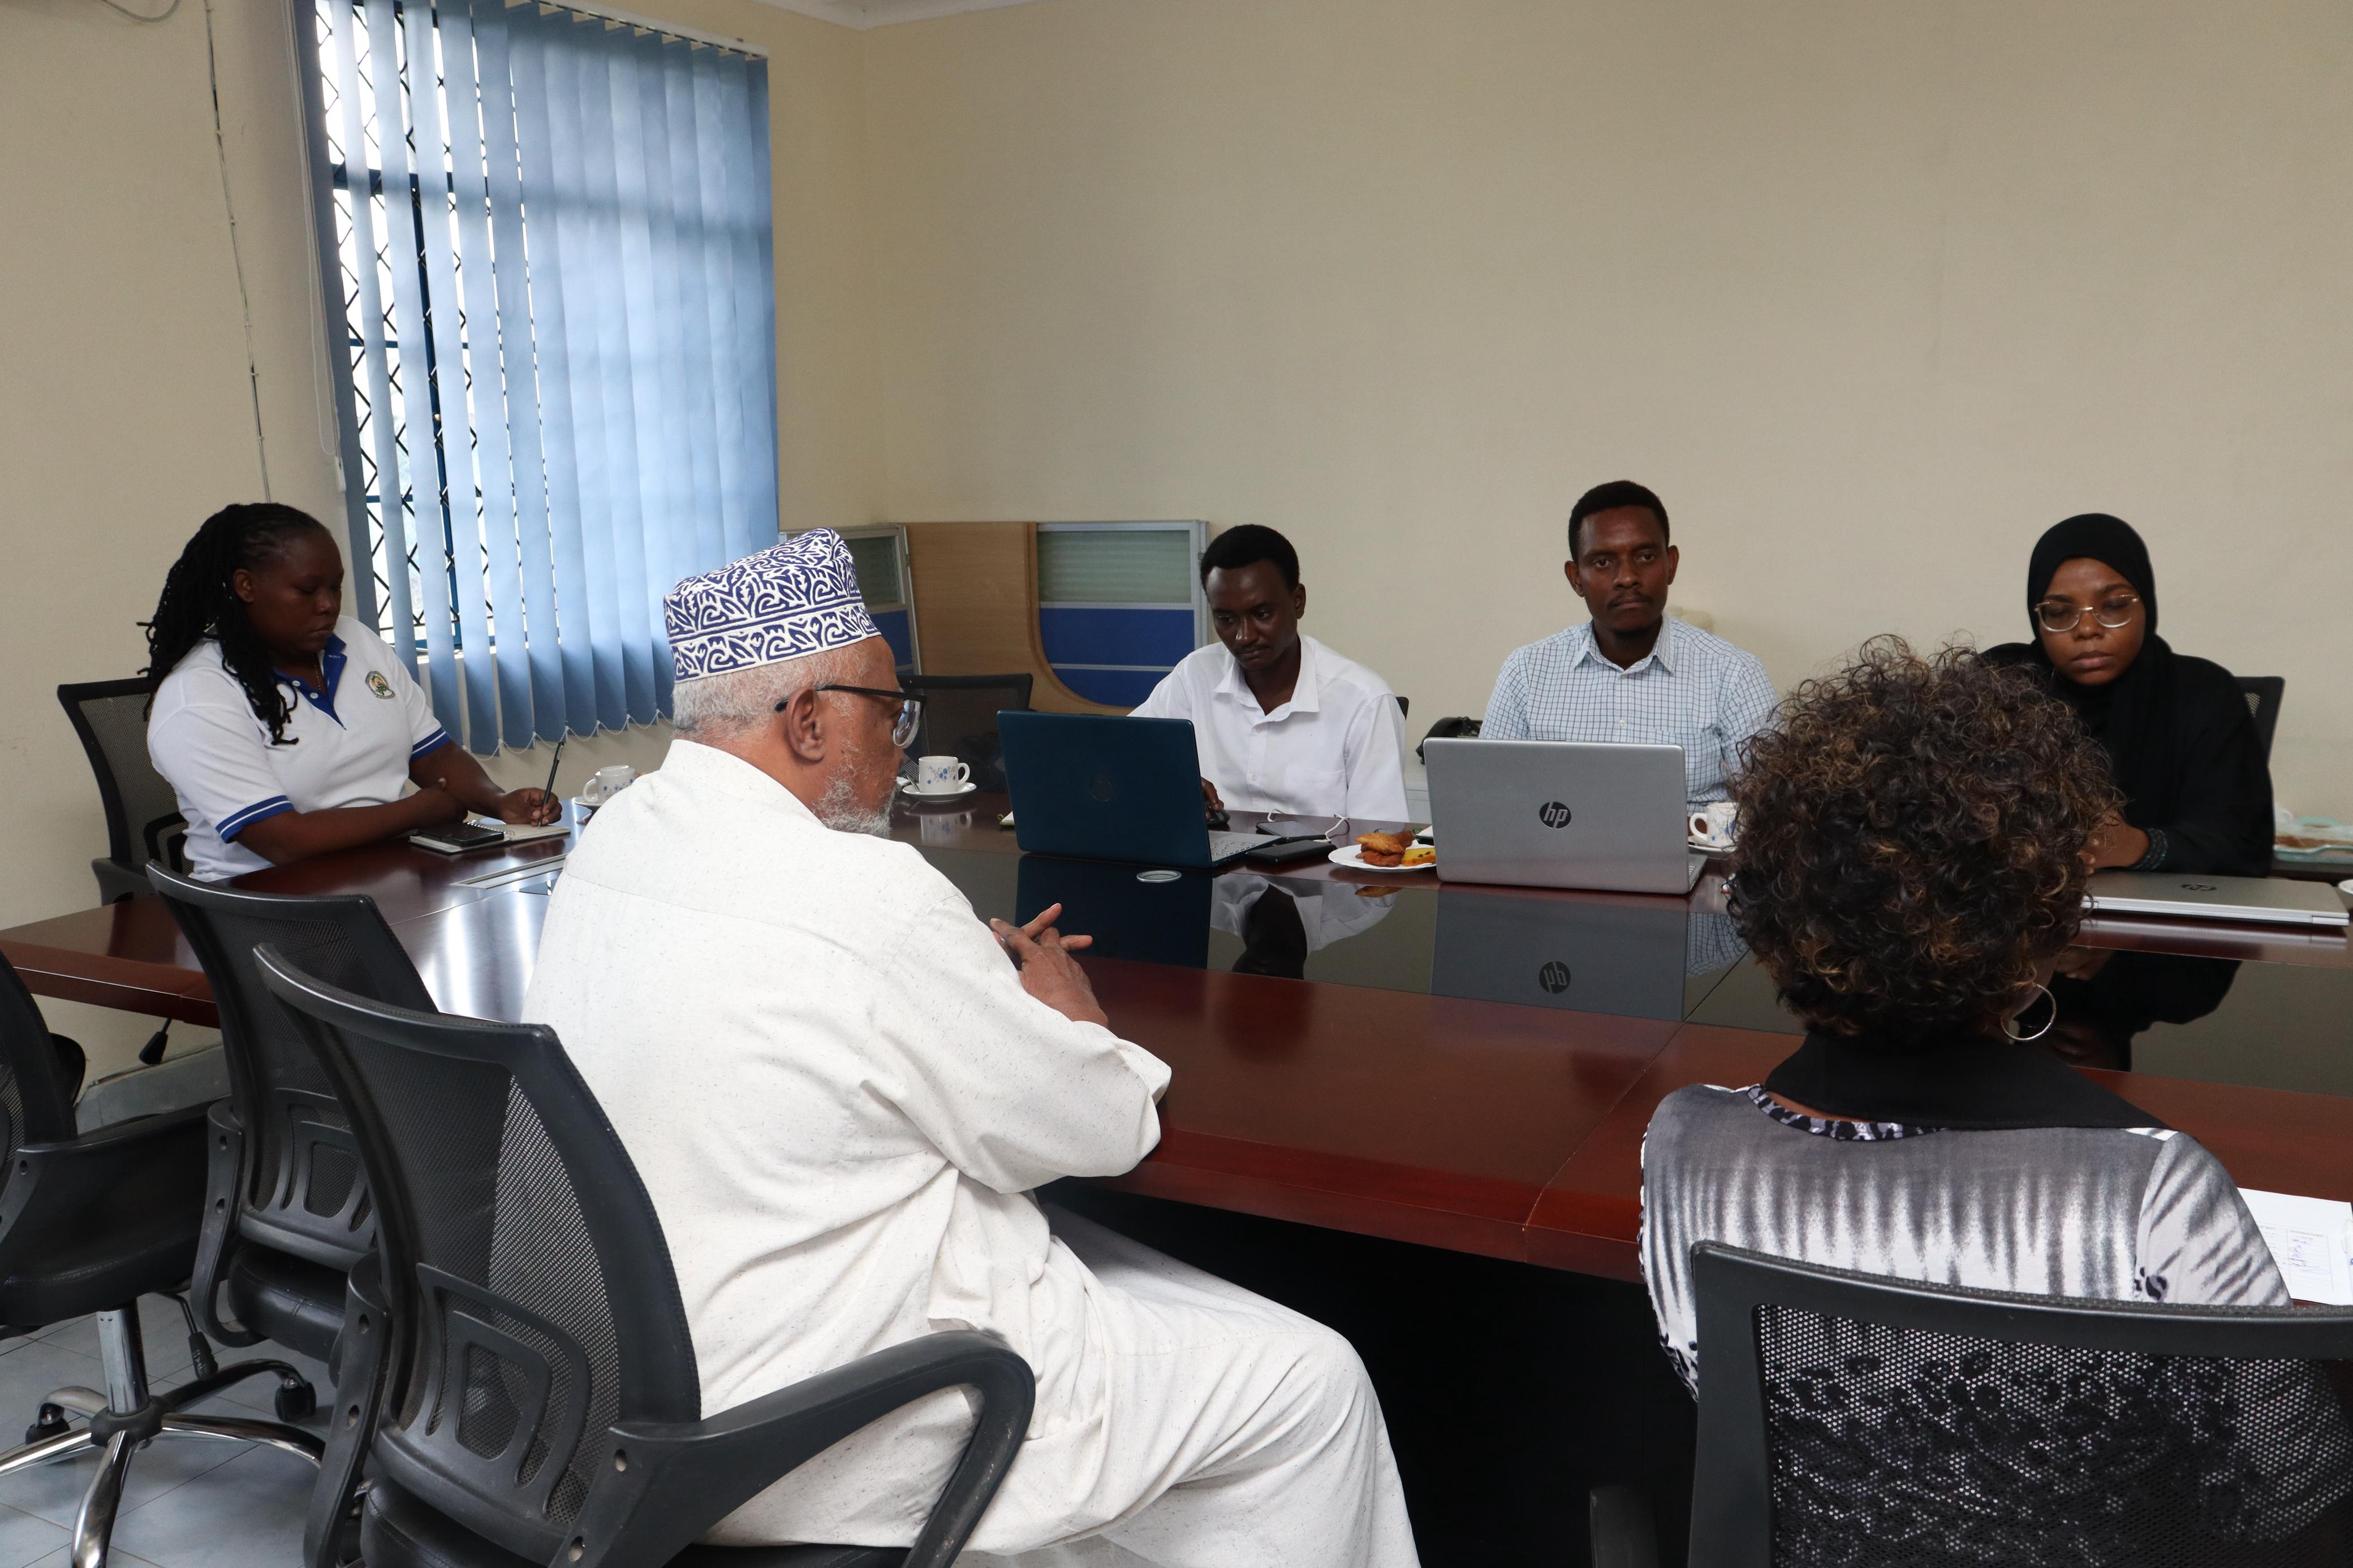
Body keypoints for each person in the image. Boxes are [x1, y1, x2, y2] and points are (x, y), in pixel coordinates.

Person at [523, 530, 1418, 1567]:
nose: (902, 745)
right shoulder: (867, 893)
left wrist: (949, 987)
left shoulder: (613, 839)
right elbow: (1098, 1126)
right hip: (815, 1419)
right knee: (1314, 1382)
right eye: (888, 711)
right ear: (807, 720)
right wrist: (1072, 1017)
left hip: (621, 1391)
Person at [1639, 641, 2347, 1552]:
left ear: (1779, 912)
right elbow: (2290, 1501)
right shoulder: (2154, 1191)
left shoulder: (1684, 1140)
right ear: (2045, 919)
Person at [143, 503, 556, 880]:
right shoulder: (198, 696)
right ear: (246, 586)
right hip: (264, 902)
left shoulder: (356, 641)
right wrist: (416, 811)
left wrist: (498, 802)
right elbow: (283, 841)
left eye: (335, 588)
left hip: (392, 874)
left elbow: (434, 755)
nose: (328, 605)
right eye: (307, 590)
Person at [1986, 512, 2273, 875]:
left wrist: (2139, 847)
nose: (2087, 629)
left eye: (2114, 606)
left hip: (2162, 906)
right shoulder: (2000, 687)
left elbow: (2242, 843)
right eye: (2059, 612)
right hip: (2016, 900)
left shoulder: (2203, 693)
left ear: (2146, 604)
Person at [1484, 481, 1775, 804]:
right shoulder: (1527, 671)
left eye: (1646, 556)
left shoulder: (1735, 674)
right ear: (1576, 578)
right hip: (1563, 839)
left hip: (1689, 838)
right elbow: (1489, 798)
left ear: (1671, 564)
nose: (1627, 577)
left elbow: (1773, 814)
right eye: (1603, 562)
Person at [1131, 524, 1410, 822]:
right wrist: (1169, 780)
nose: (1244, 636)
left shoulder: (1365, 702)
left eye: (1262, 614)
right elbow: (1122, 753)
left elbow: (1382, 836)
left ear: (1298, 601)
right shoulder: (1195, 676)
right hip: (1211, 850)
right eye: (1226, 619)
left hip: (1325, 854)